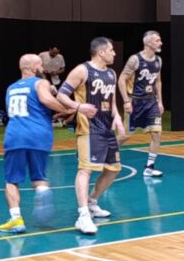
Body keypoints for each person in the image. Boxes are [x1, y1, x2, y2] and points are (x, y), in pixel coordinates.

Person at [57, 37, 121, 235]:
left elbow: (111, 100)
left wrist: (117, 117)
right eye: (111, 50)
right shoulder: (82, 70)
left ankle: (92, 201)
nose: (114, 53)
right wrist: (79, 106)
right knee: (85, 170)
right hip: (88, 129)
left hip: (106, 128)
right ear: (101, 52)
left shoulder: (111, 73)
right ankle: (83, 216)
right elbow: (61, 95)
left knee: (113, 169)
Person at [0, 54, 66, 234]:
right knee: (39, 177)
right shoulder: (40, 83)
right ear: (34, 68)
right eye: (41, 65)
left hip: (15, 136)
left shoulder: (11, 88)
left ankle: (16, 219)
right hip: (38, 135)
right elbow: (45, 100)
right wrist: (67, 108)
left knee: (12, 180)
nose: (43, 68)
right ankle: (42, 195)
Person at [118, 31, 165, 178]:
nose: (161, 43)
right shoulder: (135, 59)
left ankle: (149, 168)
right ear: (148, 42)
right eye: (157, 40)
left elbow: (158, 81)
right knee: (125, 135)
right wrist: (126, 101)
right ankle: (107, 152)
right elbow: (121, 79)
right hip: (135, 101)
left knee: (157, 133)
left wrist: (160, 101)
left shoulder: (158, 60)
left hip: (151, 101)